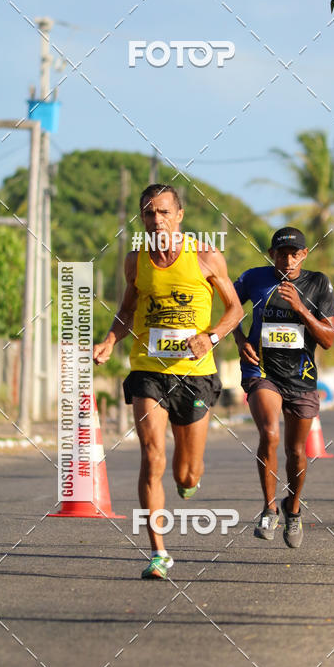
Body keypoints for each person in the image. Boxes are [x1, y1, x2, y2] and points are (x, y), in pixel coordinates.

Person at [93, 184, 243, 579]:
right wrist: (110, 339)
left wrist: (209, 337)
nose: (155, 220)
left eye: (162, 212)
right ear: (142, 218)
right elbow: (127, 309)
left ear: (179, 215)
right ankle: (158, 553)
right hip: (149, 371)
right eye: (148, 213)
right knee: (152, 454)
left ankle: (188, 479)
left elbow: (235, 310)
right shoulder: (135, 261)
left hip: (195, 375)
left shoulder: (207, 256)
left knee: (186, 473)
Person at [233, 227, 334, 548]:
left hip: (302, 376)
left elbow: (328, 339)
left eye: (294, 254)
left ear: (304, 255)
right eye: (281, 254)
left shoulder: (317, 283)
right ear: (271, 254)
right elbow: (229, 309)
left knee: (295, 451)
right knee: (270, 434)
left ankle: (293, 509)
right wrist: (239, 342)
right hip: (261, 369)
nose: (288, 260)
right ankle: (268, 508)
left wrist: (302, 309)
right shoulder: (254, 278)